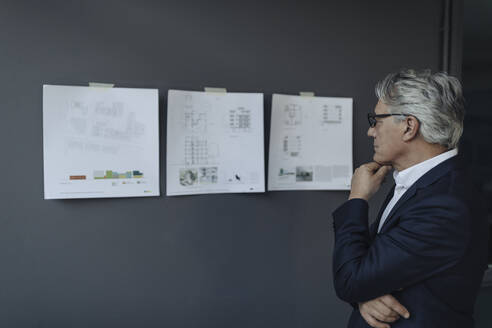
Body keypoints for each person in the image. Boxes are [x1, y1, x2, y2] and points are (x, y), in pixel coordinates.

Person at [332, 69, 489, 328]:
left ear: (409, 126)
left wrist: (357, 198)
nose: (371, 132)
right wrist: (362, 295)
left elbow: (351, 278)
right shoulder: (422, 183)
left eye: (377, 121)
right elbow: (362, 265)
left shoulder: (445, 203)